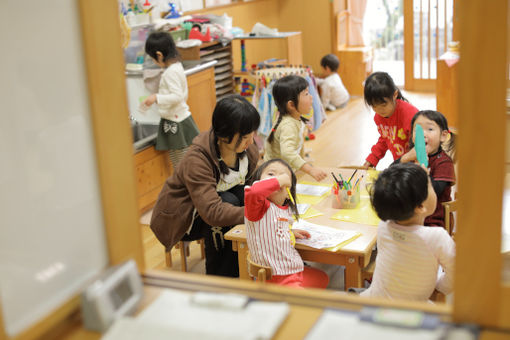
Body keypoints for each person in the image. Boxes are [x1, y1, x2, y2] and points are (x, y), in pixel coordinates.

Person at [150, 94, 260, 277]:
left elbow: (251, 183)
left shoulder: (246, 149)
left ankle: (246, 260)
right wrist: (255, 213)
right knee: (229, 202)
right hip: (183, 217)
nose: (251, 141)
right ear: (224, 135)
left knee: (245, 194)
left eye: (252, 135)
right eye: (245, 137)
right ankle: (222, 277)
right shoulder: (198, 159)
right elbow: (212, 212)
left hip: (213, 203)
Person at [361, 163, 455, 301]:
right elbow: (458, 272)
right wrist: (440, 285)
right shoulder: (437, 237)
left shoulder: (383, 227)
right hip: (412, 311)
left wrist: (418, 177)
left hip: (373, 302)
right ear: (421, 206)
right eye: (430, 185)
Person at [244, 159, 329, 288]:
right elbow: (254, 192)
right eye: (271, 174)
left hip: (292, 271)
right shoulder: (257, 207)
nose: (278, 180)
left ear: (289, 194)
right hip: (277, 279)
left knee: (323, 277)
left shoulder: (284, 209)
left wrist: (290, 232)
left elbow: (274, 226)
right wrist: (281, 180)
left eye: (284, 178)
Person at [142, 31, 199, 167]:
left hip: (176, 120)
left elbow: (177, 96)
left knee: (180, 164)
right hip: (179, 117)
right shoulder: (177, 66)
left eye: (153, 59)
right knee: (182, 161)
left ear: (159, 55)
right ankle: (185, 184)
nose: (154, 62)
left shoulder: (170, 73)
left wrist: (156, 97)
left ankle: (184, 186)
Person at [394, 110, 456, 228]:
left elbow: (435, 191)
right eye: (417, 129)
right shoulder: (410, 157)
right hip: (408, 217)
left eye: (430, 129)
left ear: (443, 135)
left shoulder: (443, 162)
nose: (422, 134)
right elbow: (390, 175)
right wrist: (405, 158)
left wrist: (422, 173)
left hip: (433, 221)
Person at [264, 75, 327, 182]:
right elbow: (287, 152)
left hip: (287, 169)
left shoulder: (295, 119)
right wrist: (309, 170)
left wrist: (303, 163)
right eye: (306, 94)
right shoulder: (288, 125)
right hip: (275, 175)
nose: (311, 97)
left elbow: (298, 145)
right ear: (291, 105)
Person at [362, 72, 419, 168]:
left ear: (395, 94)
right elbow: (385, 139)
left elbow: (422, 143)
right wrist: (373, 159)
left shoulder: (410, 114)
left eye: (384, 105)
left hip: (417, 164)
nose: (380, 110)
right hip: (401, 164)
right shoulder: (379, 117)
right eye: (374, 106)